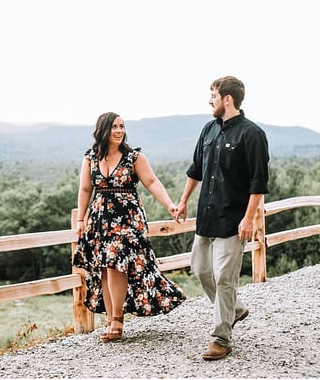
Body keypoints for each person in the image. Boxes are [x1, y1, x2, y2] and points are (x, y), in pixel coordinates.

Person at [174, 76, 269, 360]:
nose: (210, 100)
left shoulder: (252, 134)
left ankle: (221, 337)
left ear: (228, 99)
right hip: (206, 216)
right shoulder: (208, 130)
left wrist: (249, 219)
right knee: (201, 269)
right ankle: (235, 310)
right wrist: (183, 202)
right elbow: (195, 170)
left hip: (233, 219)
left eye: (213, 95)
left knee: (224, 279)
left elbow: (258, 183)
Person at [72, 112, 186, 343]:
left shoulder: (133, 157)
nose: (119, 130)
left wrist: (170, 205)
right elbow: (85, 190)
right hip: (100, 220)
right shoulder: (90, 158)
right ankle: (113, 317)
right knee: (105, 267)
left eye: (122, 126)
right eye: (114, 126)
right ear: (102, 129)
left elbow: (152, 182)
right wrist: (81, 220)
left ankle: (116, 321)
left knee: (116, 263)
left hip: (128, 219)